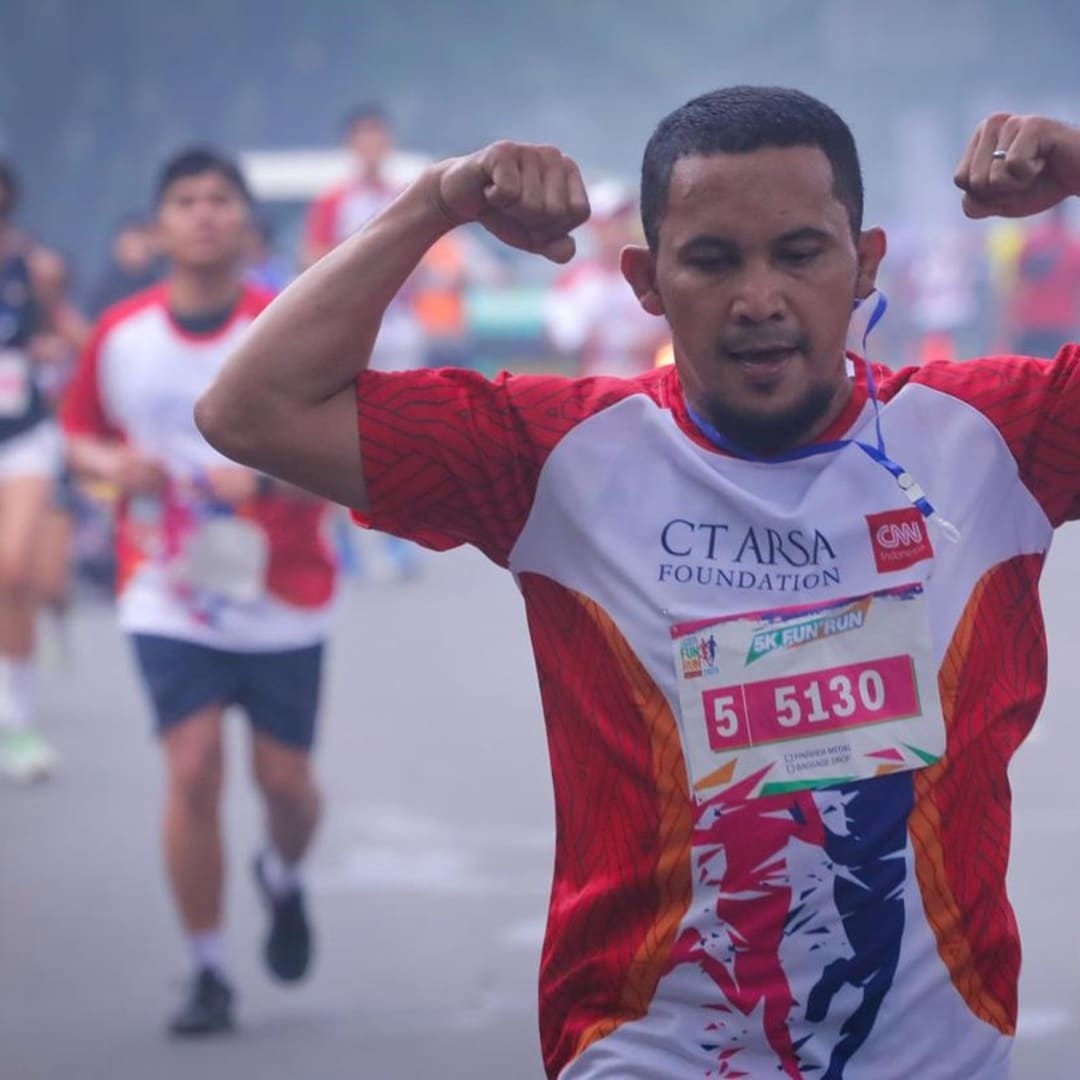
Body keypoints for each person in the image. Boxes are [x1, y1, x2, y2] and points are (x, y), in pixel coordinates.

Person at [195, 87, 1080, 1079]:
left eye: (798, 252)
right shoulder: (557, 453)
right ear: (647, 281)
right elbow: (251, 408)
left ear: (865, 264)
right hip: (644, 1056)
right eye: (711, 259)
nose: (758, 298)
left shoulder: (997, 436)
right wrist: (435, 204)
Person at [62, 148, 337, 1036]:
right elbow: (80, 438)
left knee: (287, 786)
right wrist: (115, 466)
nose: (205, 214)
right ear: (157, 226)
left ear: (247, 224)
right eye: (185, 200)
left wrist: (263, 484)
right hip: (166, 589)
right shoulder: (121, 336)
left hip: (284, 588)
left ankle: (282, 878)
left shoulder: (288, 329)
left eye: (221, 200)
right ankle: (208, 968)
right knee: (190, 769)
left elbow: (346, 460)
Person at [0, 157, 67, 781]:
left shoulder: (30, 265)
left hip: (23, 435)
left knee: (14, 568)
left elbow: (62, 331)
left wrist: (65, 342)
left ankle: (16, 723)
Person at [544, 179, 670, 376]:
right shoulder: (574, 281)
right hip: (596, 389)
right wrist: (623, 341)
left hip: (651, 388)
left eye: (623, 220)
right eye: (612, 222)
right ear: (595, 229)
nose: (619, 229)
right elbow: (566, 339)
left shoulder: (652, 272)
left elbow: (668, 332)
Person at [999, 201, 1080, 356]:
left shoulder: (1032, 243)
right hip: (1061, 322)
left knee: (1028, 373)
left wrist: (1010, 320)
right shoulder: (1073, 247)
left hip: (1031, 320)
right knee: (1059, 375)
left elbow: (1019, 282)